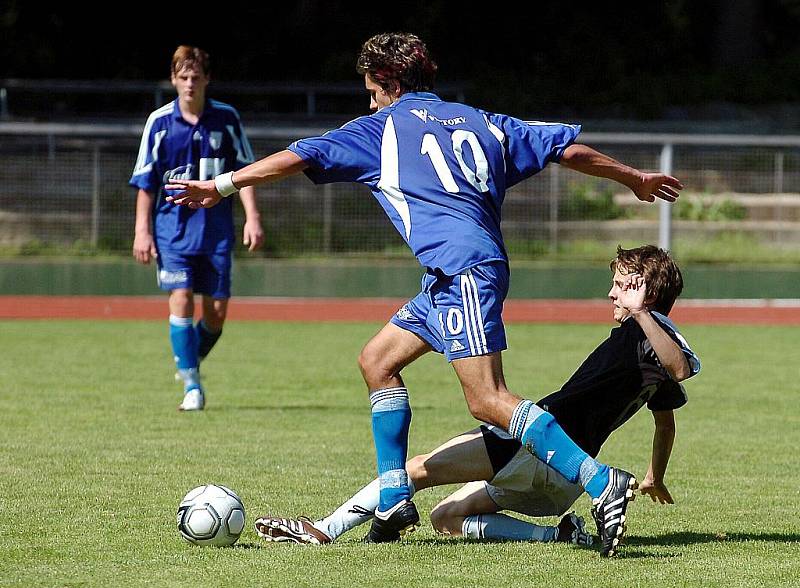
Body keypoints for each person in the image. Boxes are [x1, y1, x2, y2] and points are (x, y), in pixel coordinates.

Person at [165, 33, 684, 556]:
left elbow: (297, 158)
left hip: (464, 271)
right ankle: (393, 496)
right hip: (445, 278)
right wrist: (633, 177)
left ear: (390, 84)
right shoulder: (482, 121)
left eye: (373, 90)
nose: (369, 101)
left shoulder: (378, 129)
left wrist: (222, 186)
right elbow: (565, 149)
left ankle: (599, 483)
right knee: (376, 361)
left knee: (488, 399)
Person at [252, 246, 700, 550]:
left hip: (539, 448)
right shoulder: (647, 358)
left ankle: (323, 531)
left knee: (413, 471)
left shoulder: (647, 340)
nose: (612, 293)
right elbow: (665, 421)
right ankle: (558, 537)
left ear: (648, 290)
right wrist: (654, 476)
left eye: (623, 284)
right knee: (445, 517)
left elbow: (679, 366)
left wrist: (641, 312)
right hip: (561, 487)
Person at [130, 45, 264, 411]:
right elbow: (145, 182)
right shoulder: (159, 123)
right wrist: (142, 231)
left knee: (216, 314)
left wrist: (252, 217)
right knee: (182, 298)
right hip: (172, 230)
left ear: (207, 79)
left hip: (216, 231)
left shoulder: (227, 119)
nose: (189, 83)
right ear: (174, 79)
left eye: (196, 76)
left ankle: (187, 360)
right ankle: (192, 385)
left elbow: (246, 173)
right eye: (183, 77)